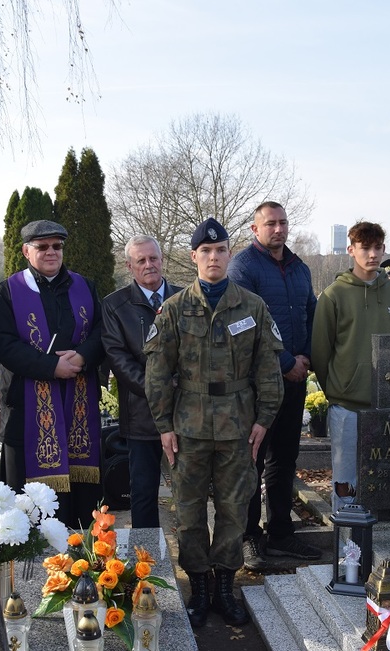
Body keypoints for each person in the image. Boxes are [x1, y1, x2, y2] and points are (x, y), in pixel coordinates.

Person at [144, 217, 283, 628]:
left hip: (239, 428)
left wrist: (264, 420)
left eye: (220, 250)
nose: (213, 257)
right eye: (205, 251)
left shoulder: (252, 306)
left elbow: (268, 370)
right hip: (188, 428)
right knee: (187, 513)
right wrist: (164, 426)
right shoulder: (174, 308)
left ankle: (226, 585)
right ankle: (199, 586)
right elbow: (156, 373)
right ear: (194, 257)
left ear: (228, 254)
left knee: (233, 510)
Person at [0, 220, 106, 530]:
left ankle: (82, 562)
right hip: (27, 412)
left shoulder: (85, 286)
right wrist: (50, 367)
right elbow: (5, 345)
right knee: (31, 508)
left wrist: (82, 356)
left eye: (57, 246)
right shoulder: (9, 291)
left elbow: (100, 332)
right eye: (42, 247)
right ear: (26, 251)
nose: (51, 252)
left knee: (81, 502)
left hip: (77, 407)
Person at [229, 201, 320, 570]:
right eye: (270, 224)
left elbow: (311, 314)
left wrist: (307, 358)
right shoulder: (243, 268)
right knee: (252, 459)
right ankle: (249, 536)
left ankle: (281, 533)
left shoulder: (299, 268)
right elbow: (243, 324)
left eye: (283, 223)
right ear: (255, 229)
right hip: (257, 383)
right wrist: (285, 363)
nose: (278, 229)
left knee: (284, 459)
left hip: (295, 381)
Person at [311, 221, 390, 512]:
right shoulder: (333, 295)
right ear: (351, 249)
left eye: (377, 247)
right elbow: (321, 352)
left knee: (385, 477)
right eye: (365, 248)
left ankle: (383, 544)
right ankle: (347, 550)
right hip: (347, 406)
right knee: (346, 482)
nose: (372, 254)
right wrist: (339, 390)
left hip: (387, 404)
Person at [101, 235, 179, 529]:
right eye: (141, 260)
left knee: (188, 493)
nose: (149, 265)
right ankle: (147, 562)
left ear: (162, 260)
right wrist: (160, 389)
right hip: (141, 414)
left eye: (154, 258)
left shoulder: (186, 298)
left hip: (184, 410)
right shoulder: (114, 305)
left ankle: (192, 560)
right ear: (129, 266)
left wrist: (180, 386)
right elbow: (118, 358)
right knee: (144, 492)